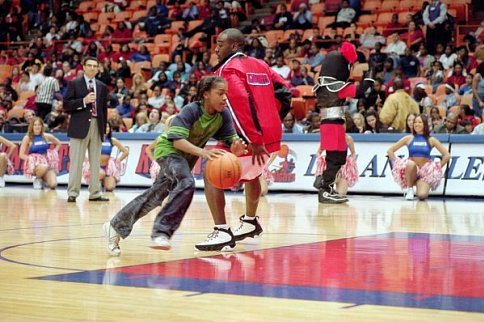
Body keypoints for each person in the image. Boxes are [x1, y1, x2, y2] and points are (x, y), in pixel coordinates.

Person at [102, 76, 247, 256]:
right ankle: (161, 232)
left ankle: (115, 226)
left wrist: (237, 147)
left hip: (185, 158)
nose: (225, 97)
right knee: (187, 182)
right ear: (206, 94)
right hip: (168, 151)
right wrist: (202, 153)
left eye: (226, 93)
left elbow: (232, 141)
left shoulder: (223, 115)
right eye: (220, 93)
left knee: (155, 196)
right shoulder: (191, 110)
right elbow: (177, 141)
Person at [195, 28, 291, 251]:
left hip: (247, 136)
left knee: (211, 172)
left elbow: (240, 107)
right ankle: (249, 221)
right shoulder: (261, 65)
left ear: (234, 46)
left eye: (220, 44)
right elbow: (285, 90)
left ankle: (221, 231)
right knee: (252, 175)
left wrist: (254, 138)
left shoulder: (228, 69)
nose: (216, 48)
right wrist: (271, 117)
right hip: (268, 132)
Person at [312, 41, 374, 203]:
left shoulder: (322, 87)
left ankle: (325, 183)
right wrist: (371, 74)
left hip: (330, 124)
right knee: (336, 158)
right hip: (334, 125)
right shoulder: (337, 87)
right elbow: (360, 90)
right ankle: (324, 188)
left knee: (337, 157)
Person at [63, 56, 110, 203]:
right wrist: (83, 101)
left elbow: (104, 109)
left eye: (95, 66)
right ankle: (73, 193)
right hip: (79, 126)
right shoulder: (74, 84)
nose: (92, 68)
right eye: (89, 65)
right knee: (76, 161)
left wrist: (104, 127)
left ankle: (95, 192)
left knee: (96, 161)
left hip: (97, 124)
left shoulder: (102, 86)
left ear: (98, 68)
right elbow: (66, 105)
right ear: (83, 67)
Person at [388, 113, 450, 200]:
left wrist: (436, 168)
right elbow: (390, 151)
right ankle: (410, 189)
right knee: (410, 164)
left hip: (424, 172)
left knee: (422, 196)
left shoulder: (431, 140)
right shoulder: (408, 138)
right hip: (412, 170)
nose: (417, 124)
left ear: (425, 124)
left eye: (420, 122)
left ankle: (418, 184)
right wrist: (399, 163)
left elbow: (447, 155)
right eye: (415, 122)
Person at [82, 123, 129, 192]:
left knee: (110, 187)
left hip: (108, 167)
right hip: (95, 166)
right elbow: (82, 149)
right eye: (104, 127)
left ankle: (103, 182)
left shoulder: (112, 140)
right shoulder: (94, 138)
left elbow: (125, 151)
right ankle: (94, 185)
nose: (106, 129)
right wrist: (87, 161)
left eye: (107, 127)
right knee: (101, 174)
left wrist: (117, 160)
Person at [18, 117, 61, 189]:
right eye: (35, 125)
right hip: (35, 165)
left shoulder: (46, 136)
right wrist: (32, 159)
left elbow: (59, 143)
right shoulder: (27, 138)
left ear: (42, 126)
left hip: (46, 163)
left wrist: (53, 153)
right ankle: (37, 179)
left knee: (53, 184)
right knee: (44, 166)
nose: (37, 127)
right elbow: (21, 155)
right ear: (32, 126)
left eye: (39, 125)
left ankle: (43, 179)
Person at [145, 115, 177, 182]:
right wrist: (154, 162)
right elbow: (148, 149)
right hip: (161, 167)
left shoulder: (181, 138)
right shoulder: (162, 137)